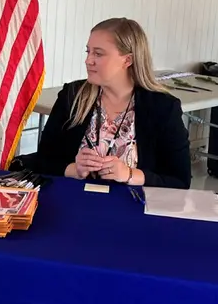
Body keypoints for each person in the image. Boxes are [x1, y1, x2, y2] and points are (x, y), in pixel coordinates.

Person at [31, 18, 191, 189]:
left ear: (127, 60)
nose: (88, 60)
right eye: (88, 52)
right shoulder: (73, 96)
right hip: (75, 199)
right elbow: (42, 161)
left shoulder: (162, 107)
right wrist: (73, 169)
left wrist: (129, 174)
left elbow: (180, 181)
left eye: (98, 54)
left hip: (132, 203)